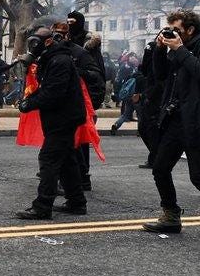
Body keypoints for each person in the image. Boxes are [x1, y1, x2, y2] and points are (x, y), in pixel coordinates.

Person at [143, 9, 200, 233]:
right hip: (176, 119)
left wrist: (179, 49)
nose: (171, 34)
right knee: (160, 167)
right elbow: (161, 75)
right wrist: (159, 49)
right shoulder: (176, 48)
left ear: (190, 30)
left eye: (176, 30)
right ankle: (171, 215)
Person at [16, 27, 88, 219]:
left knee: (48, 159)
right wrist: (28, 100)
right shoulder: (53, 59)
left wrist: (28, 103)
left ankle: (42, 206)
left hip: (63, 118)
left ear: (48, 42)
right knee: (66, 160)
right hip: (62, 117)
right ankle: (76, 201)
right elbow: (47, 89)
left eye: (35, 42)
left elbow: (53, 94)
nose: (32, 46)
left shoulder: (59, 61)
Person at [51, 20, 106, 192]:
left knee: (78, 144)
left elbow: (95, 75)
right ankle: (69, 180)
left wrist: (76, 71)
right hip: (58, 106)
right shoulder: (51, 52)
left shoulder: (79, 52)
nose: (58, 36)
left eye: (62, 32)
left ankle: (80, 179)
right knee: (65, 145)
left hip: (76, 105)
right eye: (56, 33)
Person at [66, 11, 106, 191]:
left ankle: (83, 175)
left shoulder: (89, 47)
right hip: (68, 96)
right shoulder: (66, 42)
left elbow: (97, 75)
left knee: (82, 139)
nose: (69, 24)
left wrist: (94, 101)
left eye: (72, 22)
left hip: (84, 98)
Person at [135, 41, 163, 169]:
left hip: (155, 101)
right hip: (147, 99)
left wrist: (149, 96)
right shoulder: (147, 66)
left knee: (150, 130)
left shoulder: (160, 63)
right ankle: (156, 155)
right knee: (143, 128)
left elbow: (159, 83)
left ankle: (156, 157)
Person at [110, 54, 139, 135]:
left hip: (128, 95)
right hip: (136, 96)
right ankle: (140, 131)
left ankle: (116, 125)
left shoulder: (126, 70)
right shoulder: (136, 73)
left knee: (125, 115)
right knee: (140, 114)